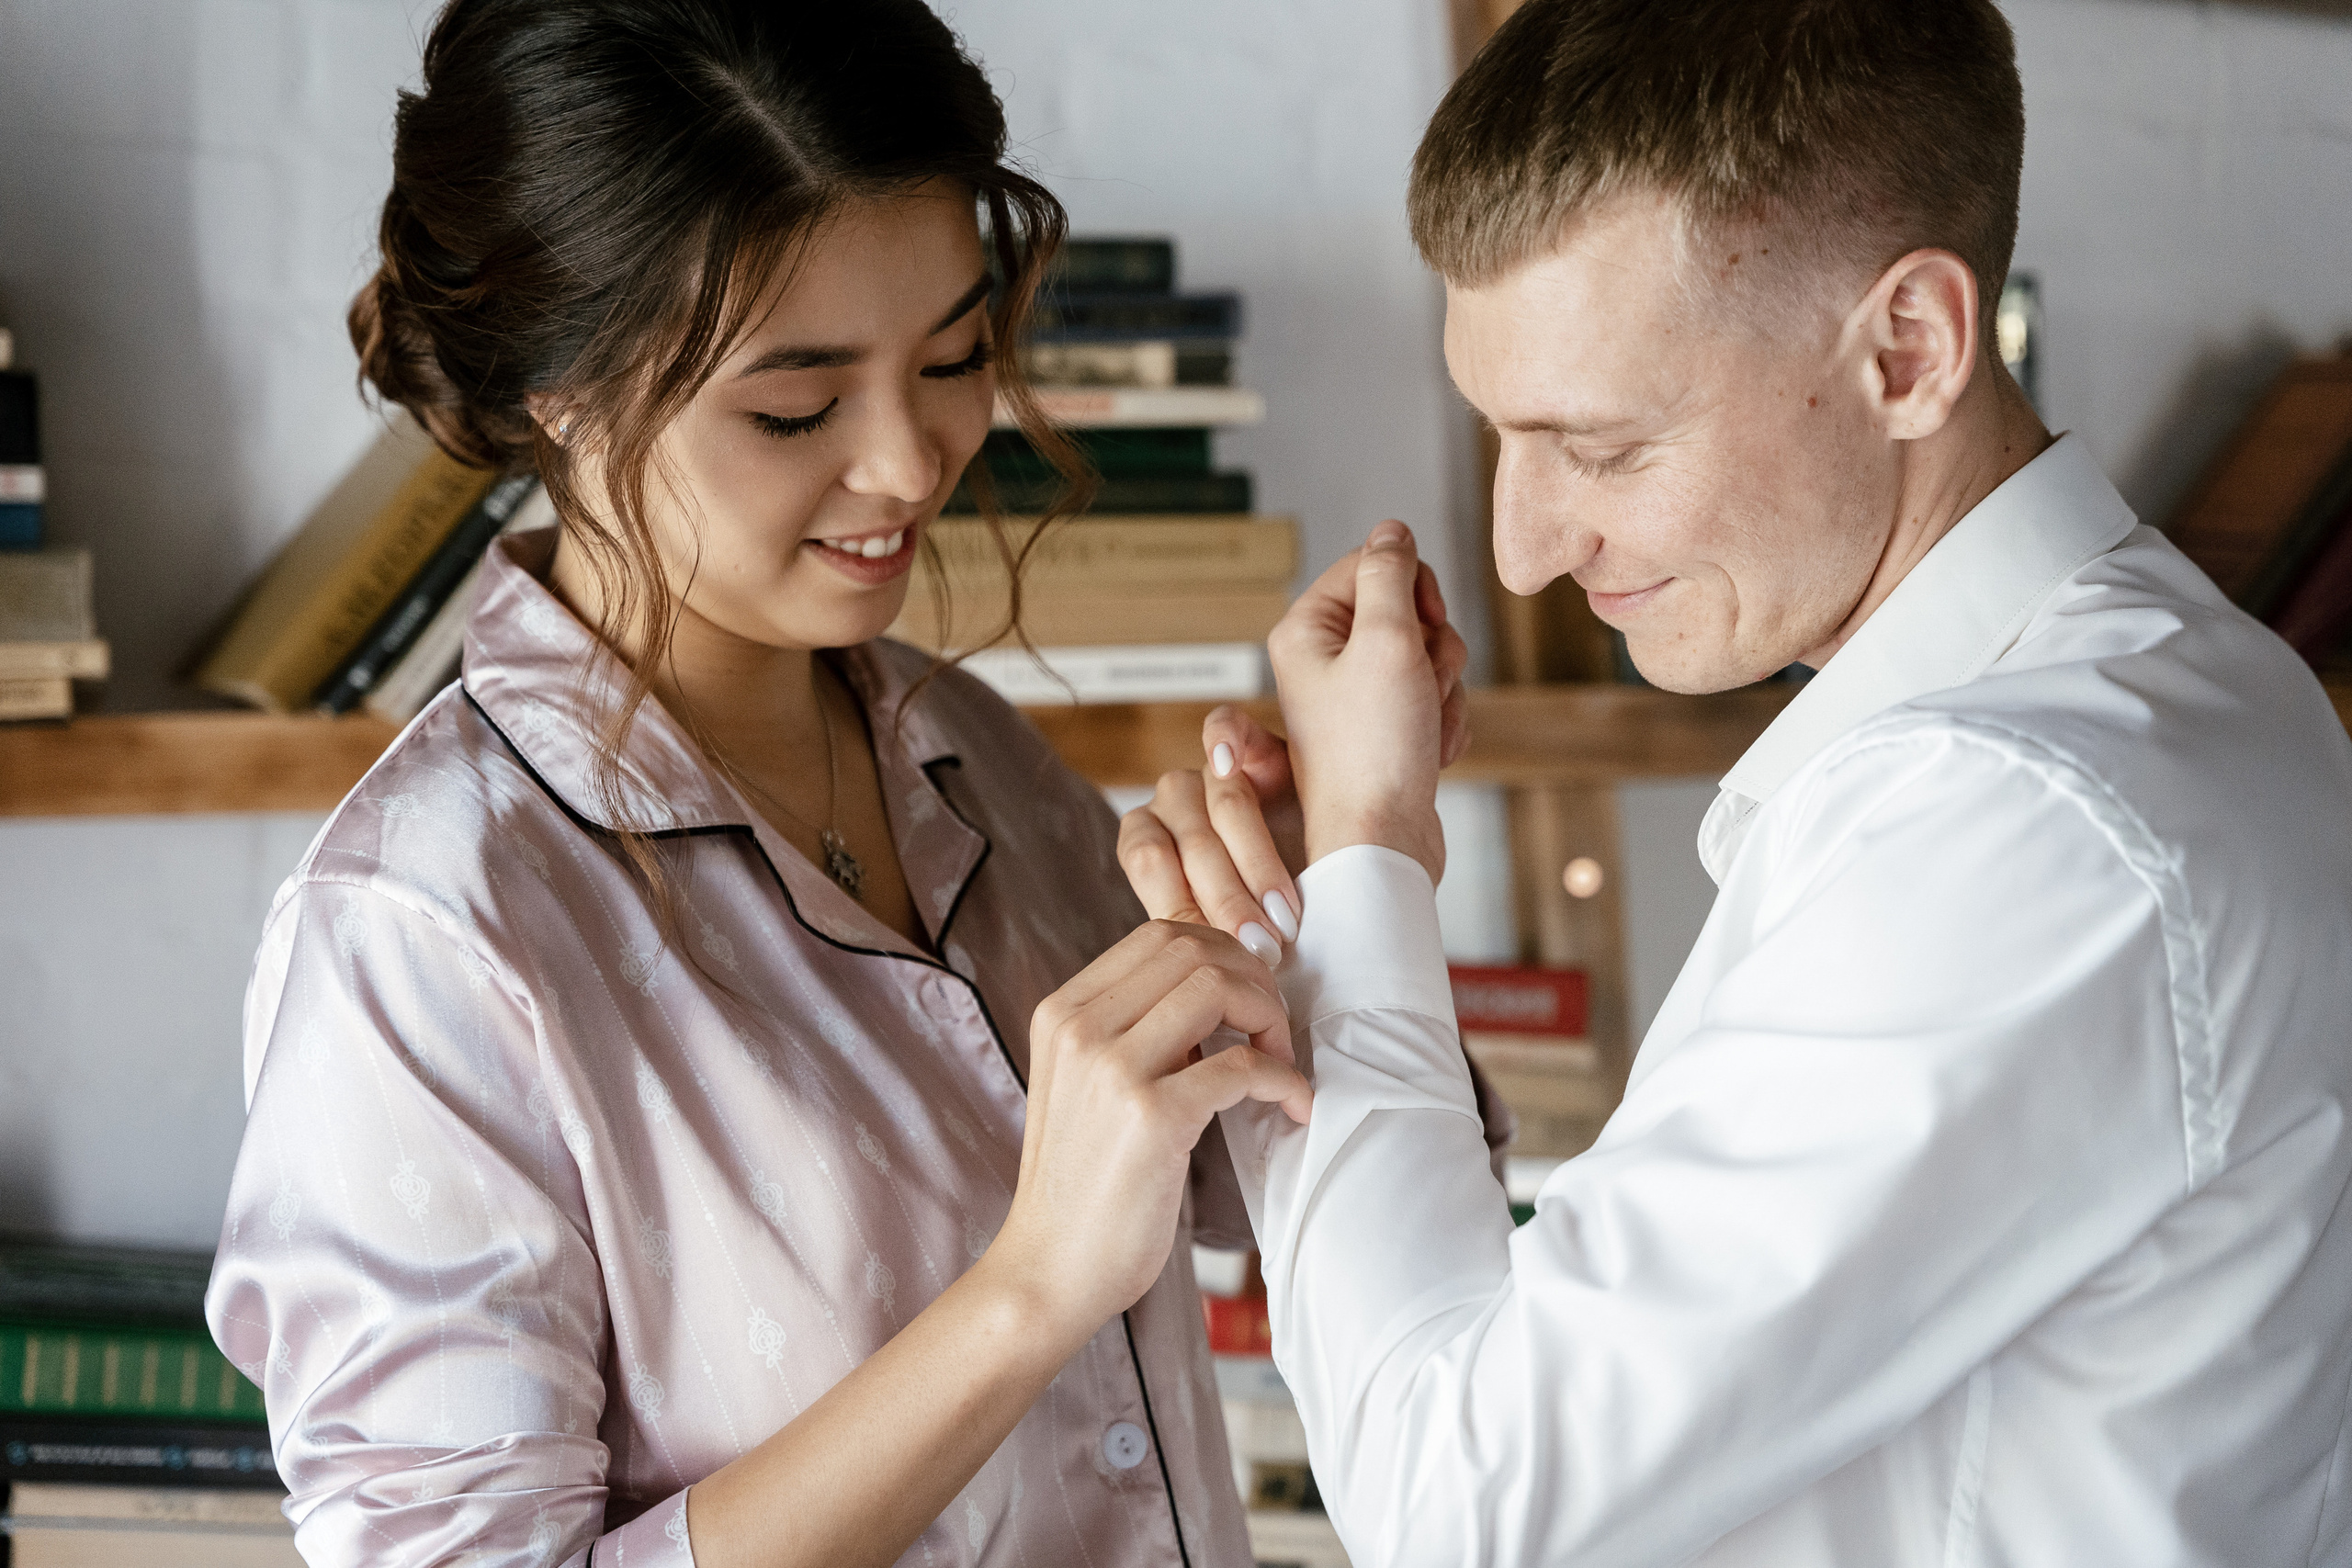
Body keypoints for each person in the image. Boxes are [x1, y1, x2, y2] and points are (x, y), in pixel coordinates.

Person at [202, 4, 1493, 1564]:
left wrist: (1340, 892)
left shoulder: (972, 752)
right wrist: (1030, 1289)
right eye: (796, 406)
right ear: (563, 390)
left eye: (954, 357)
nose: (911, 459)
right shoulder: (429, 930)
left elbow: (1277, 1188)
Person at [1124, 2, 2352, 1563]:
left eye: (1607, 446)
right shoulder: (2212, 678)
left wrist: (1366, 864)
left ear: (1908, 347)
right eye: (1503, 435)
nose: (1521, 548)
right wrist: (1332, 931)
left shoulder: (2002, 826)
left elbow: (1463, 1506)